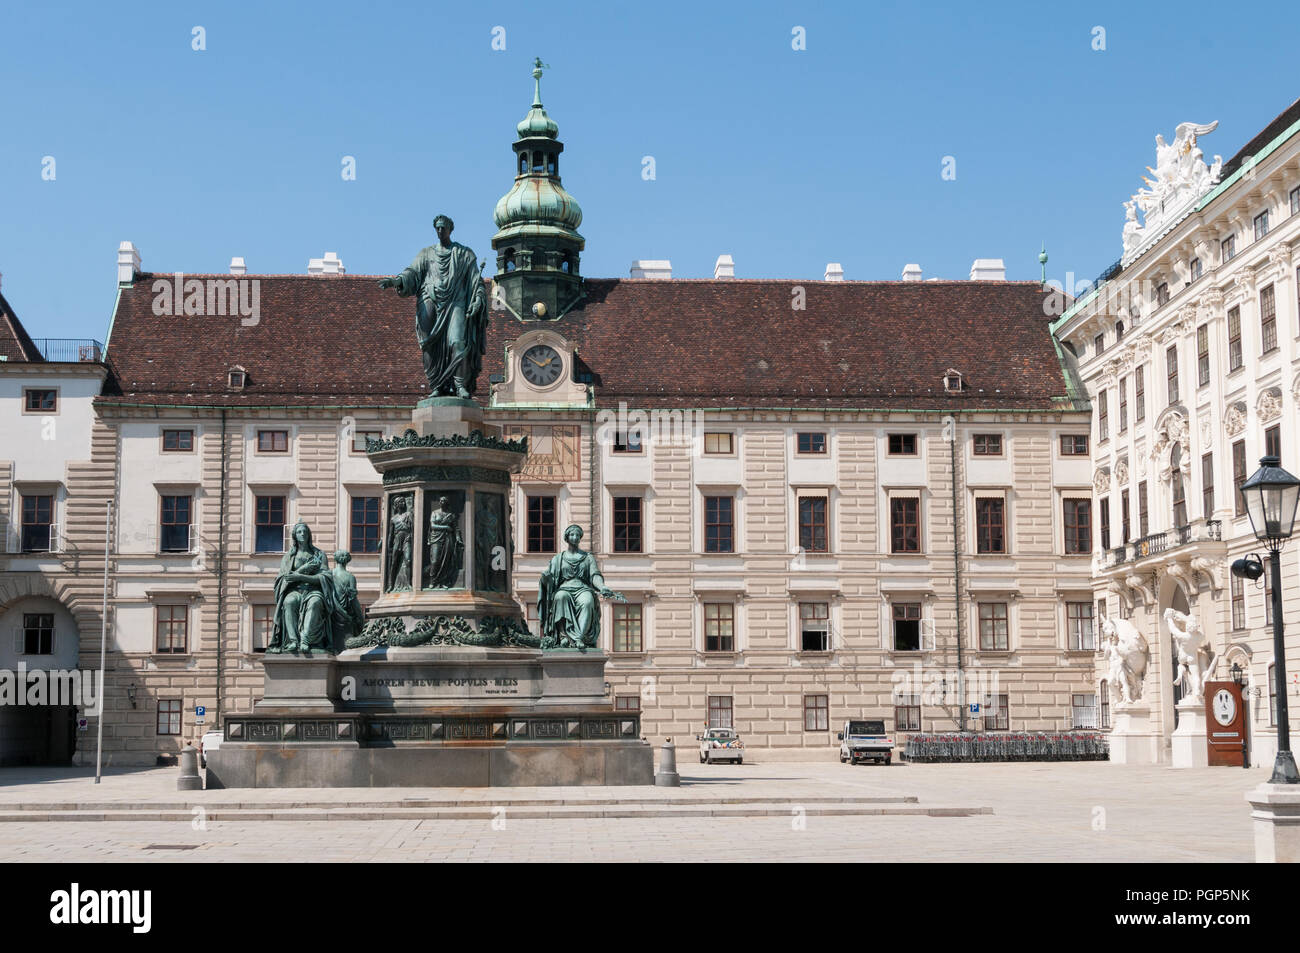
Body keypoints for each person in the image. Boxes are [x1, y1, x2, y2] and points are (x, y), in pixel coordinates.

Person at [379, 214, 487, 399]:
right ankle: (436, 385)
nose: (439, 230)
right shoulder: (426, 254)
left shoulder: (464, 254)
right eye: (437, 227)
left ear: (450, 229)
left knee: (457, 342)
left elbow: (476, 281)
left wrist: (477, 299)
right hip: (429, 301)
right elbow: (412, 273)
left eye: (443, 227)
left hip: (456, 303)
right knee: (429, 346)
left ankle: (460, 385)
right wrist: (396, 281)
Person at [268, 521, 342, 653]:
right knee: (289, 601)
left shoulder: (319, 555)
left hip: (313, 590)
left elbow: (325, 578)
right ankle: (293, 641)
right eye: (299, 532)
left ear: (309, 535)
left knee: (315, 602)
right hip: (294, 590)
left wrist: (301, 577)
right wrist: (303, 570)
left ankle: (305, 640)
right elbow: (284, 578)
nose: (303, 534)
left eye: (305, 532)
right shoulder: (289, 556)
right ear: (294, 536)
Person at [538, 524, 615, 650]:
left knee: (588, 601)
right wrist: (545, 578)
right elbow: (549, 579)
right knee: (560, 597)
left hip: (582, 588)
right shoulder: (558, 559)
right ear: (567, 538)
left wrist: (602, 587)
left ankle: (579, 637)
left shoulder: (588, 557)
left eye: (578, 535)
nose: (575, 537)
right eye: (572, 535)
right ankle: (564, 637)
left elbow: (594, 575)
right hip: (564, 588)